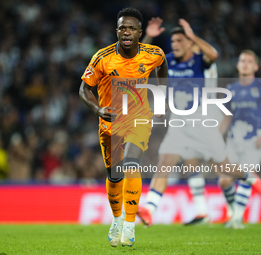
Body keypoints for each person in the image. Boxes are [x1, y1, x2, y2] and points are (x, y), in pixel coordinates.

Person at [136, 17, 261, 227]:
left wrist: (192, 36)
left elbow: (213, 55)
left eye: (180, 41)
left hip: (203, 121)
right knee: (166, 162)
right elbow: (141, 59)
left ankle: (252, 179)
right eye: (173, 42)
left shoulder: (200, 61)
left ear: (190, 44)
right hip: (178, 123)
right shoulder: (168, 61)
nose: (174, 45)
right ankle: (149, 209)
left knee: (224, 168)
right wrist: (149, 36)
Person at [79, 8, 168, 247]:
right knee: (114, 175)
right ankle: (117, 219)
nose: (126, 32)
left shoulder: (153, 53)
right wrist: (98, 109)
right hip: (109, 124)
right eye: (122, 28)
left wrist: (160, 99)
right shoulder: (102, 58)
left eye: (131, 28)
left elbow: (162, 68)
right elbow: (84, 89)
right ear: (116, 31)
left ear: (140, 33)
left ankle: (130, 224)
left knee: (131, 164)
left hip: (138, 118)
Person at [218, 50, 261, 229]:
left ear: (256, 67)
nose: (245, 63)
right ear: (237, 65)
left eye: (249, 61)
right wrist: (216, 137)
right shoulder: (230, 89)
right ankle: (234, 212)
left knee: (247, 174)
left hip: (254, 140)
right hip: (234, 141)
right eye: (242, 60)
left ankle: (236, 218)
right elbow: (227, 117)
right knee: (224, 180)